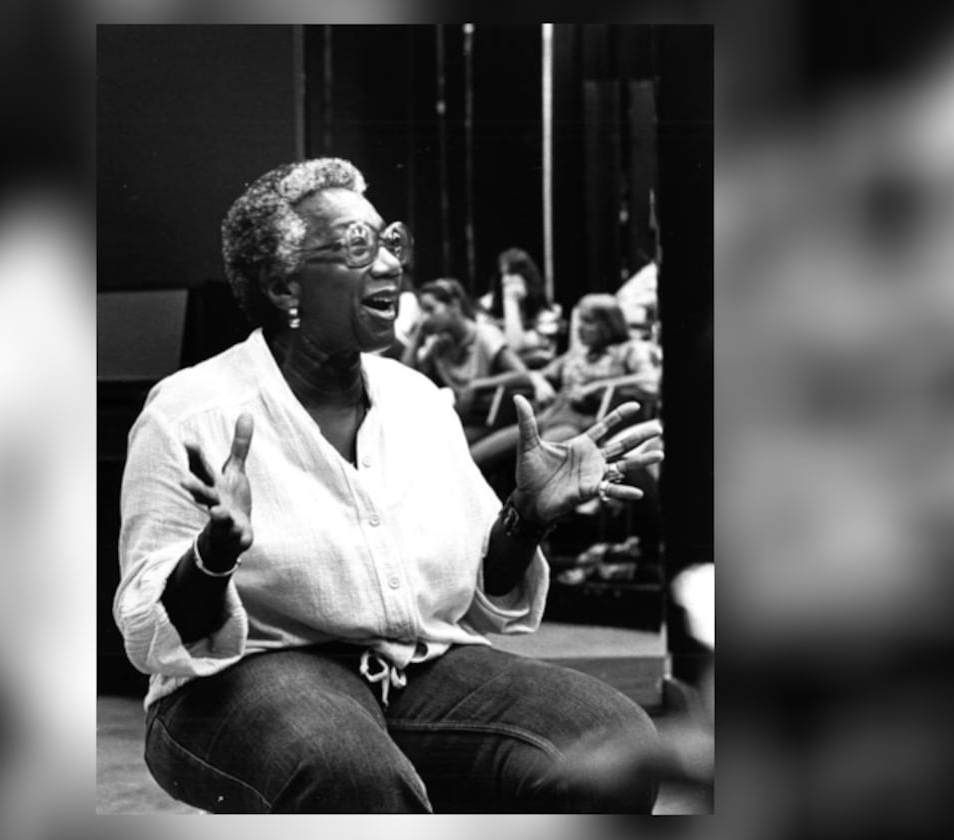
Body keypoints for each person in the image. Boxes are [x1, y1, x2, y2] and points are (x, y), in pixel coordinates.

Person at [114, 157, 665, 814]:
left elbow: (480, 598)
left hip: (417, 669)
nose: (388, 266)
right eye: (356, 247)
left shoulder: (418, 402)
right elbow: (150, 638)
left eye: (390, 240)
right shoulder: (190, 412)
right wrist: (213, 555)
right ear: (285, 285)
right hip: (240, 683)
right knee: (350, 776)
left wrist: (527, 517)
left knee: (612, 746)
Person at [469, 293, 661, 475]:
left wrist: (602, 386)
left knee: (536, 468)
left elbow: (652, 380)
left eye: (588, 321)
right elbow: (535, 374)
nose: (579, 328)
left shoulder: (629, 350)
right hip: (547, 416)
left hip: (582, 423)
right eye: (579, 321)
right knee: (475, 459)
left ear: (608, 324)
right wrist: (539, 382)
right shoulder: (576, 356)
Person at [402, 278, 554, 441]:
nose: (425, 318)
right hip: (464, 420)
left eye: (430, 309)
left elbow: (523, 375)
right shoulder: (441, 346)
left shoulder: (485, 335)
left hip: (494, 420)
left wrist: (477, 385)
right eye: (422, 312)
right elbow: (404, 378)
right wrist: (417, 338)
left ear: (454, 305)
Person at [480, 247, 564, 368]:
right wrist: (532, 356)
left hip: (535, 376)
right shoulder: (485, 306)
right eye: (503, 274)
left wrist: (511, 302)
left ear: (527, 278)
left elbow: (515, 346)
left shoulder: (550, 313)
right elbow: (488, 357)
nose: (505, 280)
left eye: (512, 274)